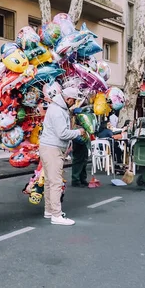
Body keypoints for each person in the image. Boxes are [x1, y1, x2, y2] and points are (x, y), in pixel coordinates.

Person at [39, 87, 85, 226]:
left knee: (49, 181)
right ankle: (56, 215)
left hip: (47, 147)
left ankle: (49, 210)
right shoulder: (58, 111)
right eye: (74, 100)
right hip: (53, 148)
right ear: (68, 99)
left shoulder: (56, 108)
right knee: (55, 182)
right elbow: (62, 134)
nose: (74, 103)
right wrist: (78, 132)